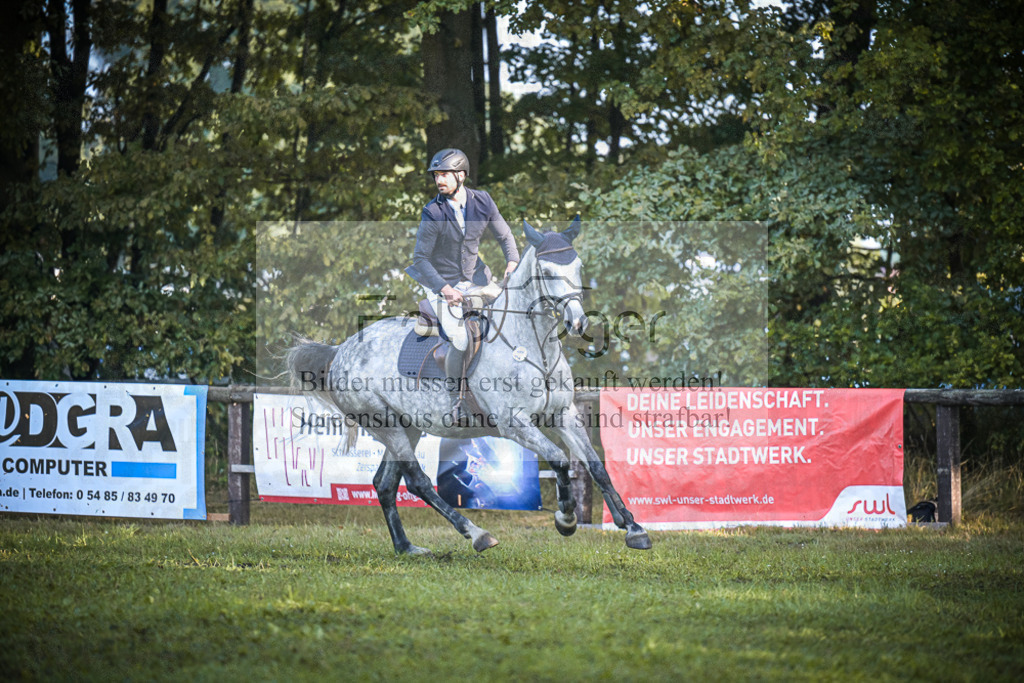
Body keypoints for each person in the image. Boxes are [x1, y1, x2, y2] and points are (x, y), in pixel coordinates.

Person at [408, 148, 519, 423]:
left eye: (444, 174)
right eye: (436, 175)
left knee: (512, 315)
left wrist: (513, 261)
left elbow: (505, 236)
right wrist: (445, 289)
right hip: (439, 282)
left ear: (461, 175)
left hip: (476, 279)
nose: (439, 180)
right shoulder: (432, 212)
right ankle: (454, 399)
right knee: (460, 337)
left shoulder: (483, 201)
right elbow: (420, 259)